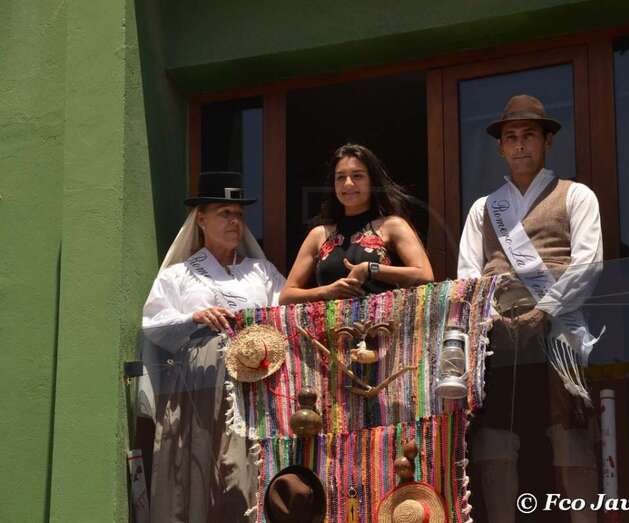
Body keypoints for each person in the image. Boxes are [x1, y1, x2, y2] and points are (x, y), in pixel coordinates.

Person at [457, 95, 603, 523]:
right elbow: (468, 277)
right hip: (498, 338)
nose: (519, 145)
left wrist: (544, 311)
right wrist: (490, 320)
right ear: (501, 147)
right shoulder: (483, 210)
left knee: (569, 434)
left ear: (547, 142)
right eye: (511, 137)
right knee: (496, 440)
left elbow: (589, 263)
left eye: (528, 136)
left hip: (558, 332)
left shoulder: (576, 196)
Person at [140, 171, 285, 523]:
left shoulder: (260, 272)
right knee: (195, 476)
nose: (234, 221)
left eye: (239, 214)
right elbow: (153, 325)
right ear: (201, 219)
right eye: (224, 213)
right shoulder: (179, 275)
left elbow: (287, 314)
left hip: (256, 388)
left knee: (244, 476)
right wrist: (195, 318)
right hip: (198, 387)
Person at [279, 143, 433, 305]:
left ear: (372, 181)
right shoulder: (319, 234)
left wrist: (369, 269)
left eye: (357, 176)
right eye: (340, 177)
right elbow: (286, 296)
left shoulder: (392, 226)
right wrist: (326, 291)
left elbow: (425, 275)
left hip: (384, 327)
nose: (348, 184)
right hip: (330, 328)